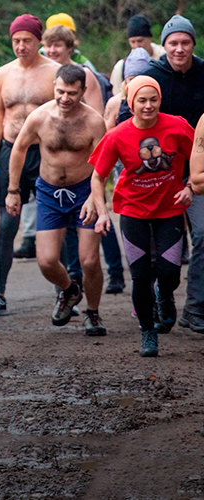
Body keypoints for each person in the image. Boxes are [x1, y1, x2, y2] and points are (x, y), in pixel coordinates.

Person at [87, 76, 194, 356]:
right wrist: (101, 212)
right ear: (131, 103)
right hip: (132, 210)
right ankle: (148, 332)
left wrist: (190, 186)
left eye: (153, 99)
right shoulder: (117, 135)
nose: (148, 106)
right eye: (142, 100)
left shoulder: (177, 126)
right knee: (140, 274)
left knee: (169, 272)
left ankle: (165, 294)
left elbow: (199, 157)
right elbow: (97, 178)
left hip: (169, 208)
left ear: (160, 100)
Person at [6, 65, 107, 335]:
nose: (65, 98)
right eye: (60, 91)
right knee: (47, 260)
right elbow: (18, 149)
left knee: (88, 261)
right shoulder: (39, 117)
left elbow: (102, 164)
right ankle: (69, 290)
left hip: (84, 191)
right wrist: (13, 190)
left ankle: (93, 313)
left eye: (72, 93)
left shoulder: (94, 121)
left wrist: (95, 198)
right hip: (50, 193)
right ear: (54, 87)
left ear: (83, 91)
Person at [0, 14, 59, 316]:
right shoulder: (3, 74)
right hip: (9, 148)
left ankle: (64, 290)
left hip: (44, 150)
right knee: (7, 223)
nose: (20, 46)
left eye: (26, 41)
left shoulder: (55, 72)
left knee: (56, 221)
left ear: (38, 40)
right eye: (16, 41)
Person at [136, 16, 204, 335]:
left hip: (197, 173)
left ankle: (195, 307)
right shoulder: (151, 77)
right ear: (163, 46)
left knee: (202, 235)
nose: (179, 48)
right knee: (158, 249)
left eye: (185, 42)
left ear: (193, 43)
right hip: (158, 175)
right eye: (173, 43)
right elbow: (130, 122)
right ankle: (158, 299)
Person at [42, 26, 104, 113]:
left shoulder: (85, 74)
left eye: (57, 45)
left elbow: (97, 113)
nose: (52, 50)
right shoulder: (42, 73)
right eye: (48, 46)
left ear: (69, 48)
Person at [109, 15, 166, 96]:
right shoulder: (121, 67)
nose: (136, 45)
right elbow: (117, 97)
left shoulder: (166, 57)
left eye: (140, 41)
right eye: (132, 42)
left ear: (150, 38)